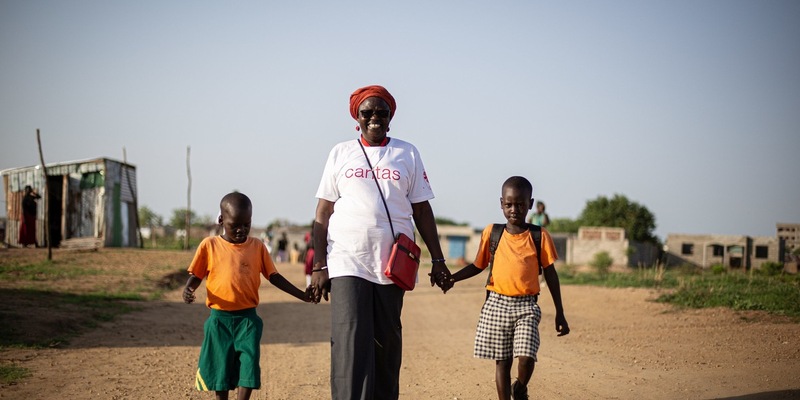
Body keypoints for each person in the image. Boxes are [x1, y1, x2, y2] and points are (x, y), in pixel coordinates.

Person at [310, 84, 452, 400]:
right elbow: (323, 211)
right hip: (347, 259)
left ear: (390, 117)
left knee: (386, 341)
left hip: (392, 262)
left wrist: (439, 260)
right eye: (367, 112)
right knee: (349, 340)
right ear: (357, 117)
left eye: (381, 112)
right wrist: (319, 265)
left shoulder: (407, 153)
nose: (374, 118)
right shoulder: (340, 152)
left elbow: (421, 210)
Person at [447, 176, 569, 400]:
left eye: (520, 204)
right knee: (502, 362)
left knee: (527, 357)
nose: (514, 209)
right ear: (501, 203)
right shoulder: (493, 233)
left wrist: (560, 312)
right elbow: (478, 265)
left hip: (526, 306)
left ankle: (520, 388)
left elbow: (551, 275)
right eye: (509, 204)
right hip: (496, 303)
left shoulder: (539, 236)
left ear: (530, 204)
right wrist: (453, 278)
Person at [182, 192, 313, 400]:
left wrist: (302, 295)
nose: (241, 230)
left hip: (248, 320)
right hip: (219, 320)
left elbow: (274, 276)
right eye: (235, 225)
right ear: (221, 220)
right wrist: (189, 288)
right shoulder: (209, 246)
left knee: (249, 365)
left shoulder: (257, 247)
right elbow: (196, 275)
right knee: (220, 366)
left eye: (246, 224)